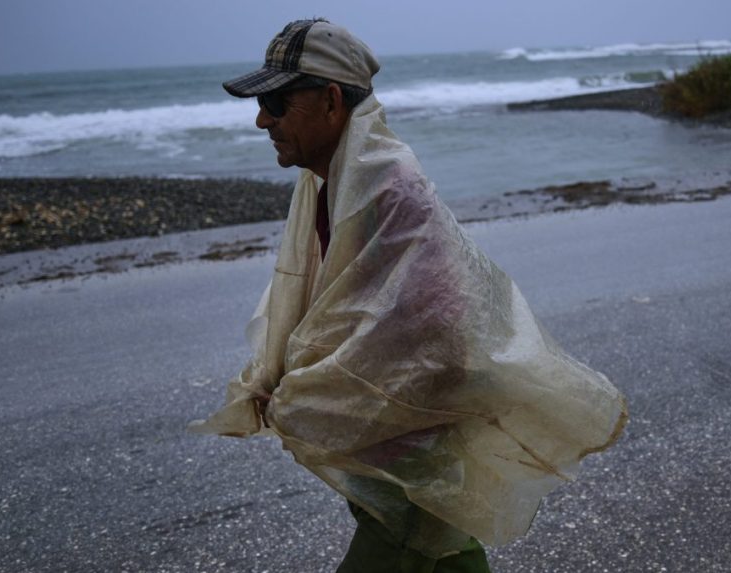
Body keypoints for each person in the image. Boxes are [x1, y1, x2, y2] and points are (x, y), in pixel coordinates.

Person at [190, 18, 628, 573]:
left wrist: (316, 392)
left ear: (330, 101)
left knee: (413, 544)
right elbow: (342, 309)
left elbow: (438, 331)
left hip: (414, 440)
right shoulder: (336, 185)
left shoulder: (390, 190)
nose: (261, 120)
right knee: (442, 552)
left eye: (277, 102)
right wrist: (285, 378)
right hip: (391, 443)